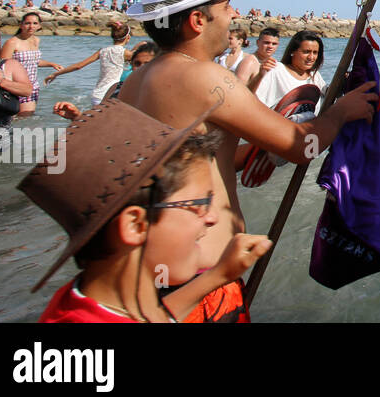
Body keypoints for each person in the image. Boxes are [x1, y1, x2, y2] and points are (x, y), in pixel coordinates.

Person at [116, 0, 376, 321]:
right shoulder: (207, 78)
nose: (233, 14)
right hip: (201, 281)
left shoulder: (135, 82)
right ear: (197, 21)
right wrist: (341, 112)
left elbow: (199, 164)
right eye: (225, 7)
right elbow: (302, 145)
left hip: (149, 277)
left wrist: (257, 155)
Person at [19, 99, 272, 322]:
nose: (212, 218)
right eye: (199, 205)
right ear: (135, 225)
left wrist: (219, 275)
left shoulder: (95, 300)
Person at [54, 43, 158, 121]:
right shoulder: (117, 89)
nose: (140, 68)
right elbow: (100, 121)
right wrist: (77, 116)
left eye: (147, 63)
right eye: (137, 63)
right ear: (131, 64)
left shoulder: (162, 93)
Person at [44, 21, 132, 105]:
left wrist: (55, 74)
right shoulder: (126, 53)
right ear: (128, 37)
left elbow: (78, 66)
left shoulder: (102, 51)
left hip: (97, 95)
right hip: (111, 95)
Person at [1, 12, 63, 116]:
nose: (31, 26)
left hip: (32, 86)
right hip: (15, 86)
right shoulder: (12, 42)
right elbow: (2, 66)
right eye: (27, 23)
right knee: (12, 119)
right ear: (21, 25)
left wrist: (51, 64)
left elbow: (33, 61)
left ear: (39, 26)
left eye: (35, 23)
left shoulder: (36, 40)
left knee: (26, 119)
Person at [247, 29, 325, 110]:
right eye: (306, 52)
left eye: (315, 52)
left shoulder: (315, 76)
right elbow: (249, 98)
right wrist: (260, 76)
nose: (311, 57)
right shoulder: (277, 70)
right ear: (292, 51)